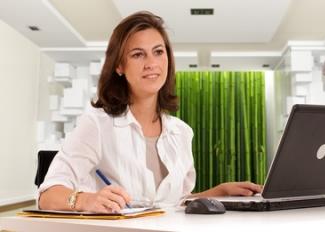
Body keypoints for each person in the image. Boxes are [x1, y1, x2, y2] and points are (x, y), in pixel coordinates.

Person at [38, 11, 262, 213]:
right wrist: (86, 200)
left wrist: (220, 192)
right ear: (119, 66)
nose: (151, 63)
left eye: (158, 52)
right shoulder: (97, 124)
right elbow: (47, 195)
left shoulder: (182, 132)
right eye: (137, 54)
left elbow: (174, 204)